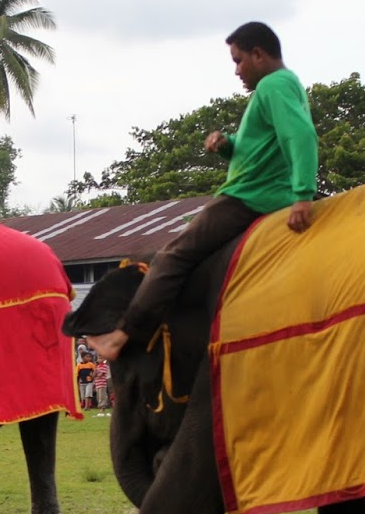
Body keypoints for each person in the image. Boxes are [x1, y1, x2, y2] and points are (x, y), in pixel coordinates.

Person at [87, 21, 317, 361]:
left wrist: (303, 194)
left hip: (249, 196)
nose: (236, 71)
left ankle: (123, 334)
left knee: (173, 255)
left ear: (258, 54)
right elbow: (263, 146)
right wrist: (227, 145)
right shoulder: (285, 84)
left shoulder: (273, 86)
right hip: (262, 191)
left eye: (239, 61)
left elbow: (300, 136)